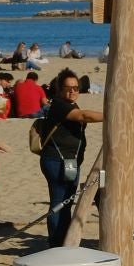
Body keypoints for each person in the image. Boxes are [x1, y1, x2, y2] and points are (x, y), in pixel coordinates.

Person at [34, 70, 102, 247]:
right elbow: (83, 116)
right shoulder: (59, 105)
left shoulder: (70, 104)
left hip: (69, 161)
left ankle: (63, 240)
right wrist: (111, 115)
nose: (72, 91)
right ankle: (57, 243)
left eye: (76, 88)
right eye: (68, 88)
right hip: (57, 161)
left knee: (67, 201)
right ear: (59, 88)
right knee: (59, 201)